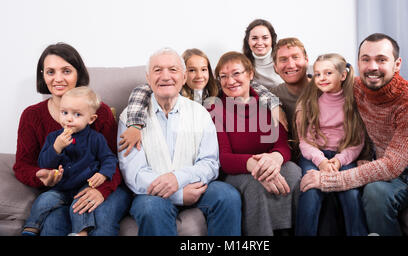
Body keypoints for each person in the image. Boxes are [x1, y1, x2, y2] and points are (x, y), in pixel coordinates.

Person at [300, 33, 408, 235]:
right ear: (358, 64)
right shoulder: (357, 87)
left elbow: (391, 166)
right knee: (374, 195)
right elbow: (325, 79)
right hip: (390, 167)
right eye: (366, 59)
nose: (372, 66)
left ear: (397, 64)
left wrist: (328, 180)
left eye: (381, 59)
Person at [117, 47, 241, 236]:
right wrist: (179, 195)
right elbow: (134, 173)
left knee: (227, 195)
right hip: (151, 195)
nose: (165, 76)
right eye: (157, 70)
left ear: (183, 78)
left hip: (196, 186)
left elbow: (210, 163)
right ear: (148, 78)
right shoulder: (130, 118)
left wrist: (178, 178)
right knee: (150, 208)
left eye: (173, 70)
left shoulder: (200, 113)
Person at [14, 42, 130, 236]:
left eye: (66, 71)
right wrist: (41, 175)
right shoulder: (31, 116)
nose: (58, 79)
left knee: (100, 220)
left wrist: (102, 189)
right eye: (51, 72)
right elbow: (22, 165)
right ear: (42, 75)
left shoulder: (99, 112)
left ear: (78, 74)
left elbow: (116, 160)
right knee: (52, 224)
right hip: (62, 188)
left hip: (100, 184)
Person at [118, 48, 287, 156]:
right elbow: (142, 91)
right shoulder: (173, 92)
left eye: (204, 69)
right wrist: (135, 125)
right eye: (192, 70)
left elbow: (248, 85)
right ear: (183, 74)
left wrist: (273, 104)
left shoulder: (214, 91)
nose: (199, 75)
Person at [209, 51, 302, 236]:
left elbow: (282, 145)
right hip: (237, 171)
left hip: (267, 164)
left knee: (293, 171)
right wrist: (258, 168)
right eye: (223, 76)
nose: (230, 81)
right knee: (255, 185)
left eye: (236, 73)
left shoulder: (269, 104)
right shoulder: (214, 108)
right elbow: (225, 158)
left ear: (250, 74)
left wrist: (275, 158)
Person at [23, 87, 117, 236]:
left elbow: (109, 158)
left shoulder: (95, 138)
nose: (68, 118)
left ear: (91, 119)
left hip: (84, 185)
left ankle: (81, 232)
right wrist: (56, 148)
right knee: (45, 199)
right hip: (61, 187)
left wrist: (104, 174)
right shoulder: (53, 138)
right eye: (64, 112)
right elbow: (43, 163)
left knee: (80, 205)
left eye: (77, 114)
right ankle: (31, 228)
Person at [294, 53, 368, 236]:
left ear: (342, 75)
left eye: (328, 73)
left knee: (351, 194)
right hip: (314, 157)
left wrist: (339, 161)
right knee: (310, 192)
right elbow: (305, 141)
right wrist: (321, 162)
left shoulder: (353, 102)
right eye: (317, 74)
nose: (321, 78)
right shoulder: (310, 102)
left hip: (342, 157)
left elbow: (357, 141)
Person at [243, 18, 284, 89]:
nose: (259, 43)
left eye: (265, 38)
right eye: (254, 38)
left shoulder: (283, 61)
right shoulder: (241, 64)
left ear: (272, 39)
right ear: (248, 41)